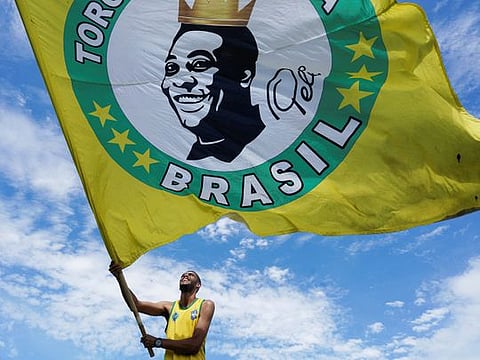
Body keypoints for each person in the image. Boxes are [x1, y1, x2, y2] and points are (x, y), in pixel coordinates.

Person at [161, 23, 265, 162]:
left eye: (199, 65)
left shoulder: (266, 141)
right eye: (172, 68)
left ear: (243, 76)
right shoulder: (188, 155)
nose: (179, 82)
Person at [109, 262, 215, 359]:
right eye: (183, 275)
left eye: (191, 275)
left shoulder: (205, 305)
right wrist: (120, 278)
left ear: (198, 285)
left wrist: (157, 342)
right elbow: (136, 305)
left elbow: (194, 345)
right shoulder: (168, 307)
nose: (185, 275)